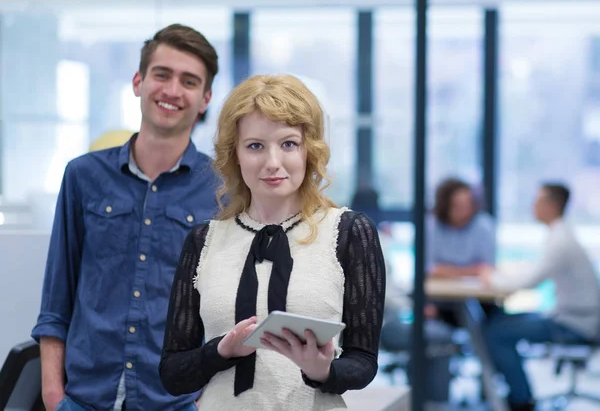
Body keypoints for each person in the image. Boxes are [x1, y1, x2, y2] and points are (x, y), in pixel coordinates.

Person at [159, 74, 386, 410]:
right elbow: (172, 372)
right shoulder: (203, 241)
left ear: (309, 150)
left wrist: (323, 370)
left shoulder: (349, 232)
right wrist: (222, 351)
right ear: (234, 153)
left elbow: (364, 361)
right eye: (255, 146)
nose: (272, 163)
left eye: (288, 144)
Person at [31, 24, 220, 411]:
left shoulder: (222, 190)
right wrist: (53, 396)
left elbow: (228, 312)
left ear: (205, 98)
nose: (171, 90)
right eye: (161, 74)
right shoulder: (83, 176)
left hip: (175, 403)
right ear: (138, 81)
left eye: (189, 81)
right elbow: (56, 298)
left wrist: (206, 400)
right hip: (83, 400)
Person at [482, 183, 600, 411]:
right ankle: (514, 392)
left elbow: (529, 283)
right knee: (498, 320)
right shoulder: (560, 235)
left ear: (551, 205)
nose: (533, 207)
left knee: (496, 332)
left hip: (573, 323)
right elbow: (533, 271)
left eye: (537, 201)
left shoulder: (560, 241)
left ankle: (521, 400)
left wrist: (490, 279)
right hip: (568, 316)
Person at [425, 178, 498, 325]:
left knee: (489, 318)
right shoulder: (431, 226)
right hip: (440, 300)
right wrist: (471, 270)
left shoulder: (484, 225)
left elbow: (487, 268)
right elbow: (430, 269)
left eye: (468, 204)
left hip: (478, 299)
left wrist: (449, 271)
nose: (464, 210)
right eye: (457, 205)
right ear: (446, 205)